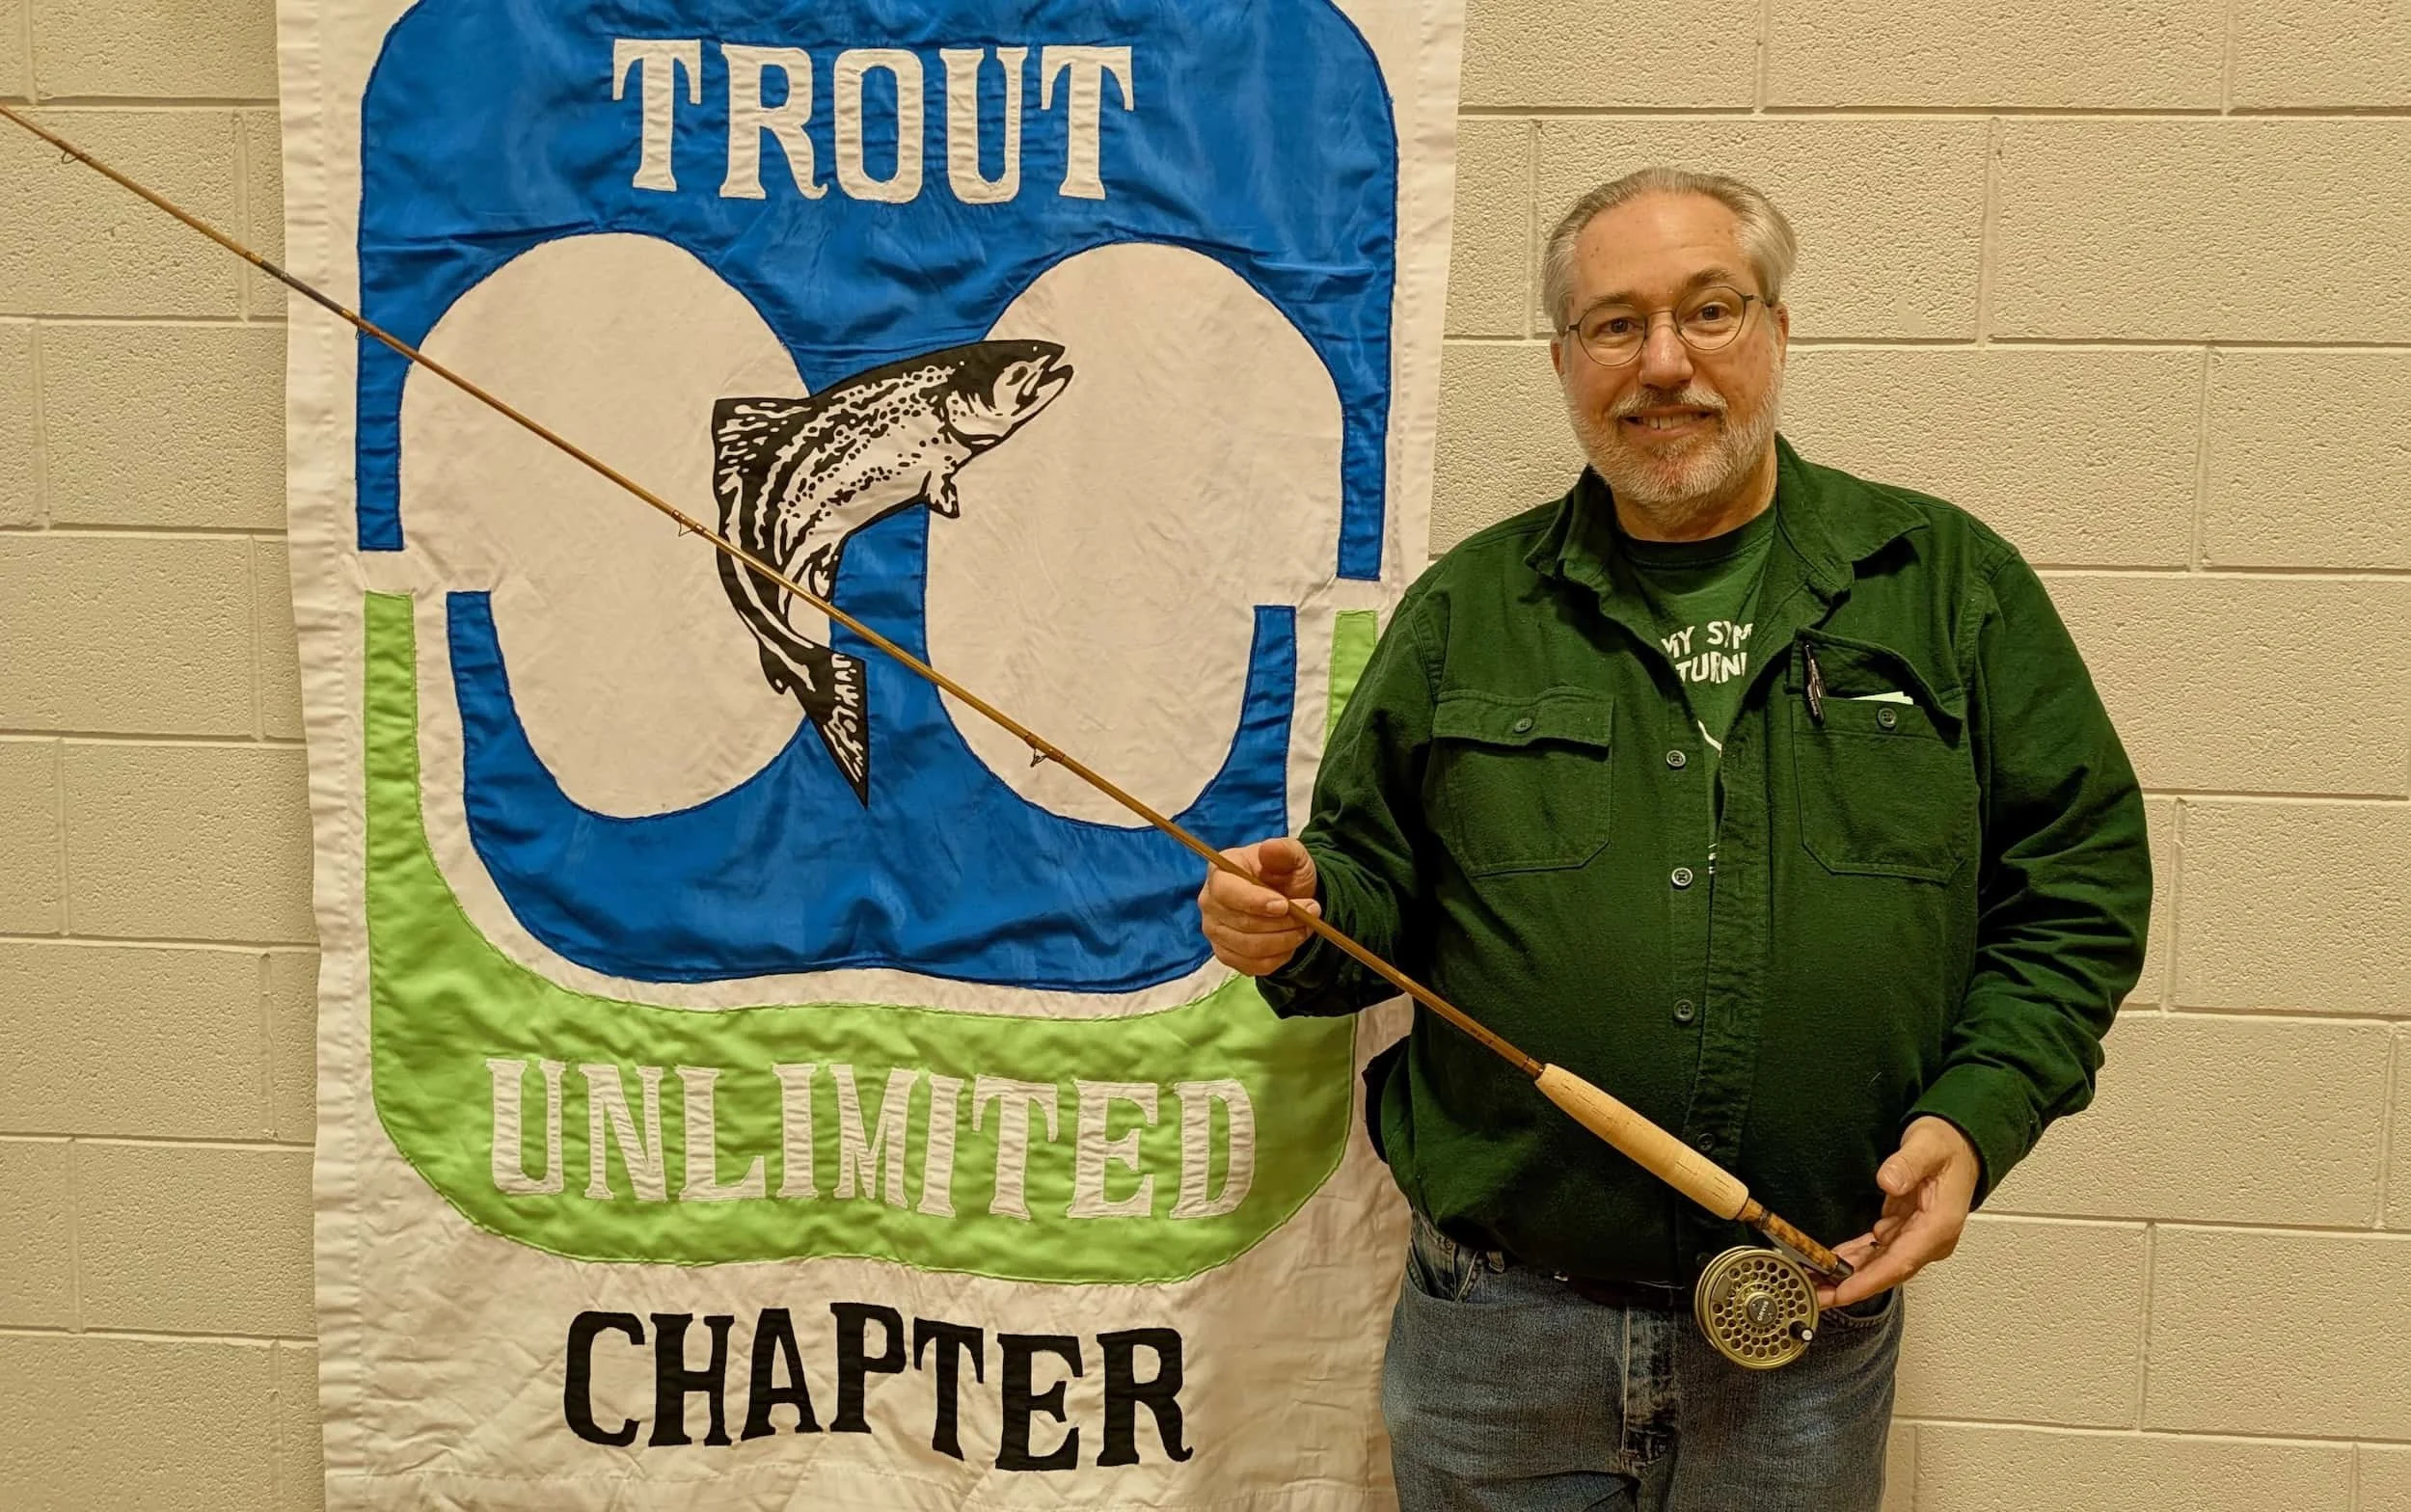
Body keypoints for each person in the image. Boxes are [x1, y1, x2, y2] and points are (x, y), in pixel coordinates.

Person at [1195, 167, 2151, 1511]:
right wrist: (1293, 913)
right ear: (1562, 360)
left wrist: (1978, 1114)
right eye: (1614, 324)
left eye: (1709, 310)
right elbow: (1368, 891)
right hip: (1497, 1345)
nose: (1662, 364)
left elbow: (2078, 893)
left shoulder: (1949, 589)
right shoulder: (1471, 608)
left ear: (1776, 330)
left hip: (1802, 1332)